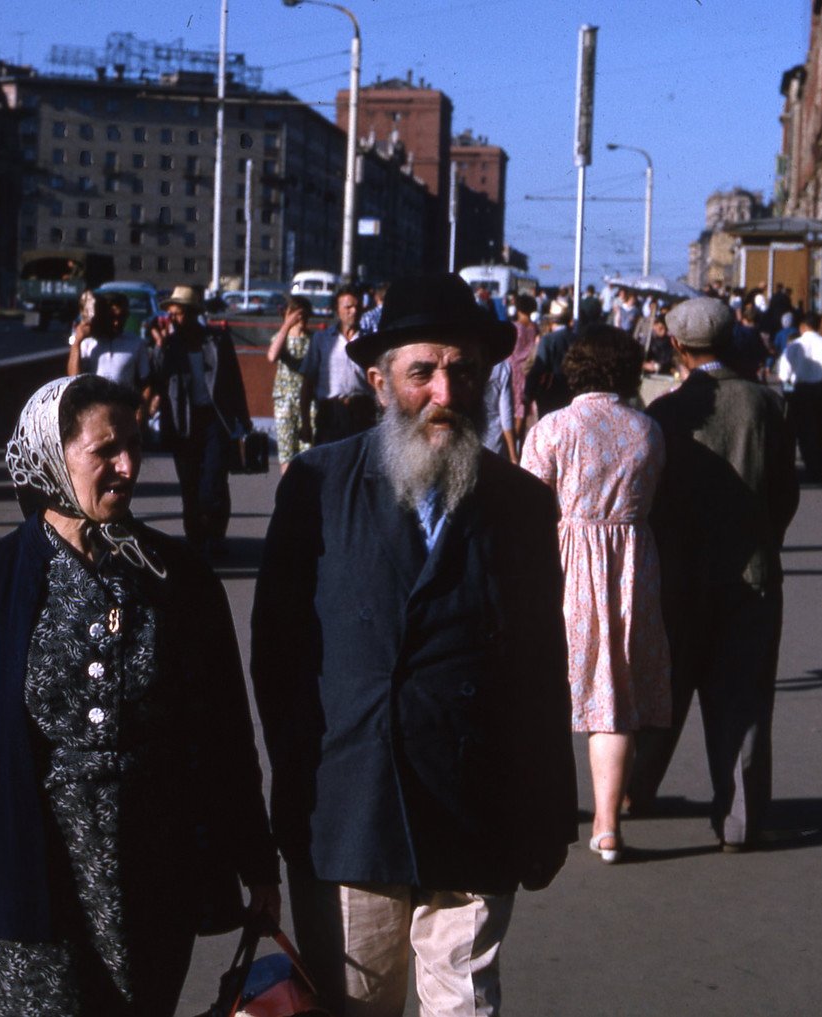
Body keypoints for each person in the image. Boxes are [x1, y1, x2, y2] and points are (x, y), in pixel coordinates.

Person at [0, 375, 280, 1016]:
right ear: (54, 458)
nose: (127, 466)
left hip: (151, 882)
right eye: (105, 450)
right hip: (26, 884)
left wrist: (258, 864)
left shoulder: (181, 582)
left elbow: (225, 735)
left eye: (134, 446)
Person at [251, 272, 577, 1017]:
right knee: (354, 1006)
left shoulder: (521, 503)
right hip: (351, 812)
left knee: (466, 1006)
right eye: (422, 371)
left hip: (475, 809)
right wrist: (302, 788)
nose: (445, 392)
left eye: (464, 371)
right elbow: (277, 656)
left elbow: (539, 671)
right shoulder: (316, 484)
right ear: (378, 378)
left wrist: (551, 814)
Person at [628, 297, 799, 851]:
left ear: (676, 346)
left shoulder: (665, 411)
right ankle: (740, 821)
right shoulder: (765, 404)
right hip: (751, 575)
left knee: (662, 690)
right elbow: (785, 492)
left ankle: (633, 792)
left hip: (678, 576)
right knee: (744, 700)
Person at [522, 325, 670, 866]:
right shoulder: (647, 431)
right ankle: (608, 827)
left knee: (547, 686)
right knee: (614, 698)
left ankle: (540, 808)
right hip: (630, 562)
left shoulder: (552, 428)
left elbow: (528, 505)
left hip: (562, 562)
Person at [147, 285, 250, 557]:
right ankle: (195, 539)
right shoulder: (169, 344)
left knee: (215, 479)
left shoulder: (216, 340)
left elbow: (234, 381)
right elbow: (156, 376)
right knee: (189, 483)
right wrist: (160, 346)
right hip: (184, 420)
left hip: (214, 418)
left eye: (178, 313)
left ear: (193, 314)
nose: (173, 320)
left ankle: (215, 535)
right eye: (170, 314)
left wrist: (243, 420)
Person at [297, 285, 377, 445]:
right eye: (348, 307)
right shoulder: (321, 340)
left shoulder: (370, 340)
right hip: (330, 414)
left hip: (362, 412)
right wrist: (305, 422)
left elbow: (379, 382)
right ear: (337, 309)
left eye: (357, 306)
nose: (353, 311)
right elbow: (308, 384)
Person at [778, 312, 822, 482]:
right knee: (821, 429)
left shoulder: (793, 346)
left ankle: (811, 466)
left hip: (801, 390)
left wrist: (789, 394)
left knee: (804, 431)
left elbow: (784, 376)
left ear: (802, 327)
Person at [265, 295, 318, 473]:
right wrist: (287, 325)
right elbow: (272, 356)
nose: (300, 319)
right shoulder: (281, 339)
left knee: (309, 453)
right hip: (285, 401)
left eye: (303, 314)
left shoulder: (314, 340)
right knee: (287, 454)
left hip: (310, 403)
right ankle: (289, 497)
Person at [66, 290, 151, 400]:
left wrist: (141, 410)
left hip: (123, 407)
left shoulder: (137, 343)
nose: (116, 323)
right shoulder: (87, 343)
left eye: (121, 317)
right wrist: (76, 343)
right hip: (94, 406)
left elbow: (146, 383)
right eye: (111, 317)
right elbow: (74, 379)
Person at [525, 302, 578, 417]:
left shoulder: (547, 340)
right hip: (573, 393)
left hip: (550, 393)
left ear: (552, 321)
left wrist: (528, 393)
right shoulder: (578, 339)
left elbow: (538, 368)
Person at [509, 292, 541, 441]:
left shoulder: (513, 328)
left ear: (518, 309)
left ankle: (512, 447)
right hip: (529, 371)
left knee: (513, 408)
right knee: (525, 409)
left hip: (512, 370)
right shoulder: (536, 329)